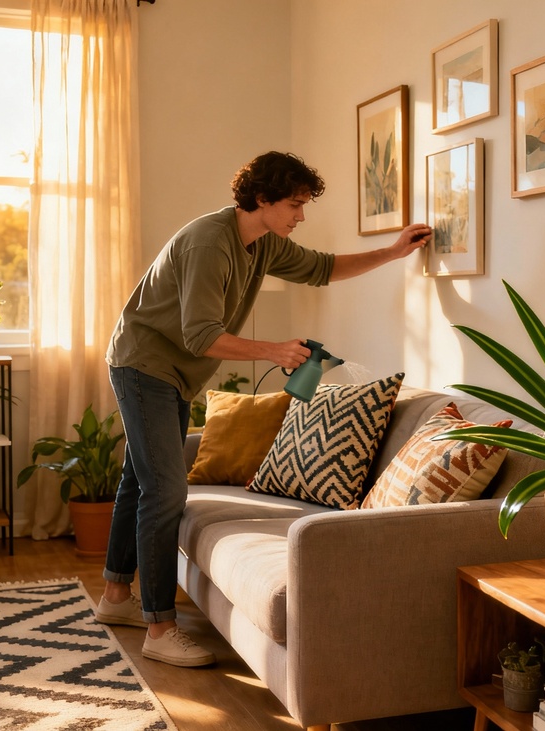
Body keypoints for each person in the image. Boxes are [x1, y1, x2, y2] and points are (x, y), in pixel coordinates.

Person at [95, 151, 432, 667]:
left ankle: (117, 599)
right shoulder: (212, 243)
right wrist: (274, 350)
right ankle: (160, 628)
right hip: (144, 366)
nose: (302, 215)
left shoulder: (263, 243)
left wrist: (391, 253)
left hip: (170, 371)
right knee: (164, 489)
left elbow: (322, 269)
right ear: (261, 199)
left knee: (140, 483)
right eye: (295, 204)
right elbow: (200, 333)